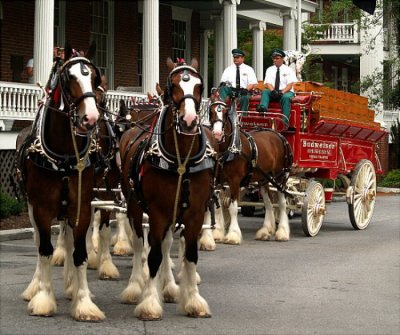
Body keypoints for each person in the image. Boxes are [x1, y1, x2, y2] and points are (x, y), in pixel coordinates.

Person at [256, 48, 297, 125]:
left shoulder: (289, 70)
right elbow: (268, 83)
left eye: (277, 58)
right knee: (265, 91)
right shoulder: (269, 69)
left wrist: (282, 92)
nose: (275, 60)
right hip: (274, 91)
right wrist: (272, 91)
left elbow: (290, 85)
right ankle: (262, 108)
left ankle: (284, 121)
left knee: (285, 98)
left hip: (286, 92)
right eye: (274, 58)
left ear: (282, 59)